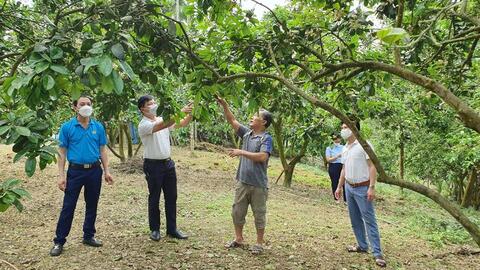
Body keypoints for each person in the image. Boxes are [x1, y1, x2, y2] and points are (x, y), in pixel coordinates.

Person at [50, 95, 114, 257]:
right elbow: (62, 153)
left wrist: (107, 171)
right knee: (68, 206)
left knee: (92, 204)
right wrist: (61, 175)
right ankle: (59, 241)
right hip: (75, 172)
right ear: (75, 107)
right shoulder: (67, 127)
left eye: (88, 104)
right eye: (82, 104)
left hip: (94, 170)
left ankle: (88, 236)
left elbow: (102, 150)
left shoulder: (98, 127)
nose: (86, 106)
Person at [217, 97, 273, 255]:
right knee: (237, 211)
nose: (252, 117)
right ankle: (239, 238)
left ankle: (259, 243)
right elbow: (232, 120)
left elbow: (263, 156)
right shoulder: (247, 134)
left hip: (258, 185)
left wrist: (240, 152)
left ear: (263, 122)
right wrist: (225, 105)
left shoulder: (266, 138)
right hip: (243, 182)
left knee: (259, 214)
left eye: (256, 115)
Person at [137, 95, 193, 241]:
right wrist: (181, 110)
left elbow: (181, 123)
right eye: (150, 104)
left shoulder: (162, 119)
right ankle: (155, 229)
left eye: (155, 102)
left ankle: (172, 229)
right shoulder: (144, 125)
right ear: (143, 109)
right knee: (154, 197)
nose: (154, 105)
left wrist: (192, 112)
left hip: (168, 164)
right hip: (152, 165)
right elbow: (163, 125)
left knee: (171, 196)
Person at [335, 121, 386, 268]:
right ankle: (362, 245)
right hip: (349, 187)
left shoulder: (364, 145)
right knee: (355, 219)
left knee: (369, 219)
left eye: (346, 127)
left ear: (354, 129)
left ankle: (377, 253)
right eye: (342, 127)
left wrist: (371, 187)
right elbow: (344, 169)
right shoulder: (345, 148)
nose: (343, 130)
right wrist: (339, 186)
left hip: (363, 188)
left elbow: (372, 166)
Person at [326, 134, 345, 203]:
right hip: (333, 166)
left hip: (342, 165)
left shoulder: (343, 147)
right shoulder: (329, 148)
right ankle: (337, 199)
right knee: (335, 182)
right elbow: (328, 159)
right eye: (335, 138)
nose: (337, 139)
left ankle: (346, 199)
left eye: (338, 138)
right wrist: (337, 156)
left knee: (344, 182)